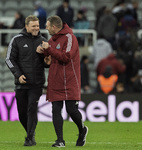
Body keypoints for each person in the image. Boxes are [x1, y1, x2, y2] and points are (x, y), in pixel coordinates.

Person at [36, 15, 88, 147]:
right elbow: (51, 58)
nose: (46, 28)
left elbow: (66, 57)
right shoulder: (52, 40)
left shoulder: (70, 38)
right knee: (55, 110)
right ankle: (60, 140)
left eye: (47, 26)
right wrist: (44, 55)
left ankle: (82, 130)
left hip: (69, 80)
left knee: (71, 110)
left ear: (54, 27)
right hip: (55, 80)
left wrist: (48, 49)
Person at [5, 15, 48, 146]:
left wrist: (46, 57)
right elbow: (9, 59)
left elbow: (47, 63)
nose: (36, 28)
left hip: (36, 83)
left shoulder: (43, 41)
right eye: (34, 26)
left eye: (37, 25)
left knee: (31, 109)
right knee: (22, 113)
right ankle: (31, 132)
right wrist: (18, 75)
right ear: (26, 26)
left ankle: (29, 137)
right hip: (21, 83)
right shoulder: (16, 40)